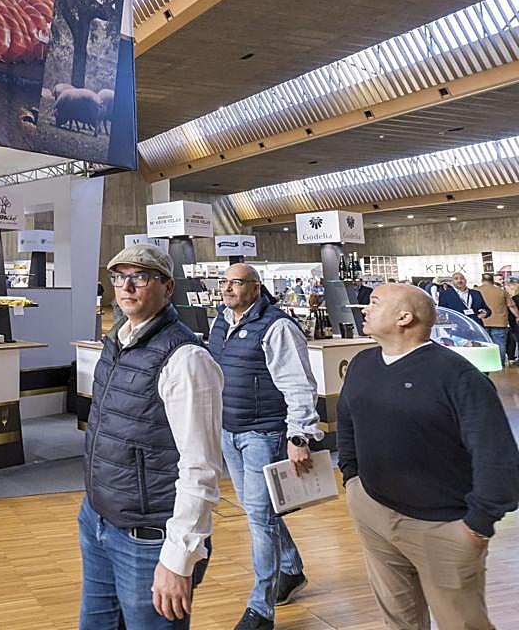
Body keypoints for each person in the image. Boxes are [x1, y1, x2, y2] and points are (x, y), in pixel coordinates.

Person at [338, 283, 519, 630]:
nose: (364, 309)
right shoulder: (363, 363)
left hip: (443, 526)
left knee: (462, 623)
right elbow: (348, 418)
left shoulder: (457, 375)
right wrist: (352, 480)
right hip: (373, 510)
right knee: (398, 619)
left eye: (374, 303)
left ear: (404, 317)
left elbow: (497, 456)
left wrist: (477, 526)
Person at [80, 244, 223, 629]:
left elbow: (202, 467)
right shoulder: (117, 341)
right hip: (97, 520)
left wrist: (179, 558)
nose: (125, 287)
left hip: (148, 540)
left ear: (167, 287)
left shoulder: (186, 359)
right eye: (118, 277)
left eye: (139, 277)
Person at [209, 264, 320, 630]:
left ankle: (261, 608)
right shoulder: (221, 322)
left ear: (255, 288)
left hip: (263, 434)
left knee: (259, 517)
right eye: (223, 282)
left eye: (235, 283)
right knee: (260, 511)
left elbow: (299, 384)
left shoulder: (278, 326)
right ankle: (290, 570)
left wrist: (299, 436)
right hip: (230, 431)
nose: (226, 288)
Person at [475, 274, 516, 368]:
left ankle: (484, 364)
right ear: (492, 280)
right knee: (500, 344)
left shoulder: (475, 291)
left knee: (483, 344)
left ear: (482, 280)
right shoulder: (501, 291)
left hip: (481, 322)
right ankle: (499, 364)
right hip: (500, 322)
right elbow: (511, 306)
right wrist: (517, 316)